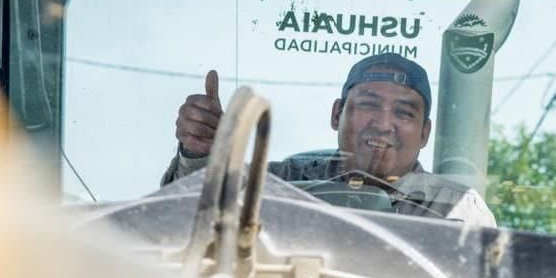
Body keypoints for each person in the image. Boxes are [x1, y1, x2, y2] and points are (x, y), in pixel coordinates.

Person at [161, 53, 497, 227]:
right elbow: (188, 218)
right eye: (368, 104)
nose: (383, 124)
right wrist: (201, 154)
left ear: (425, 133)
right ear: (337, 114)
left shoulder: (459, 211)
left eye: (404, 113)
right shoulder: (278, 183)